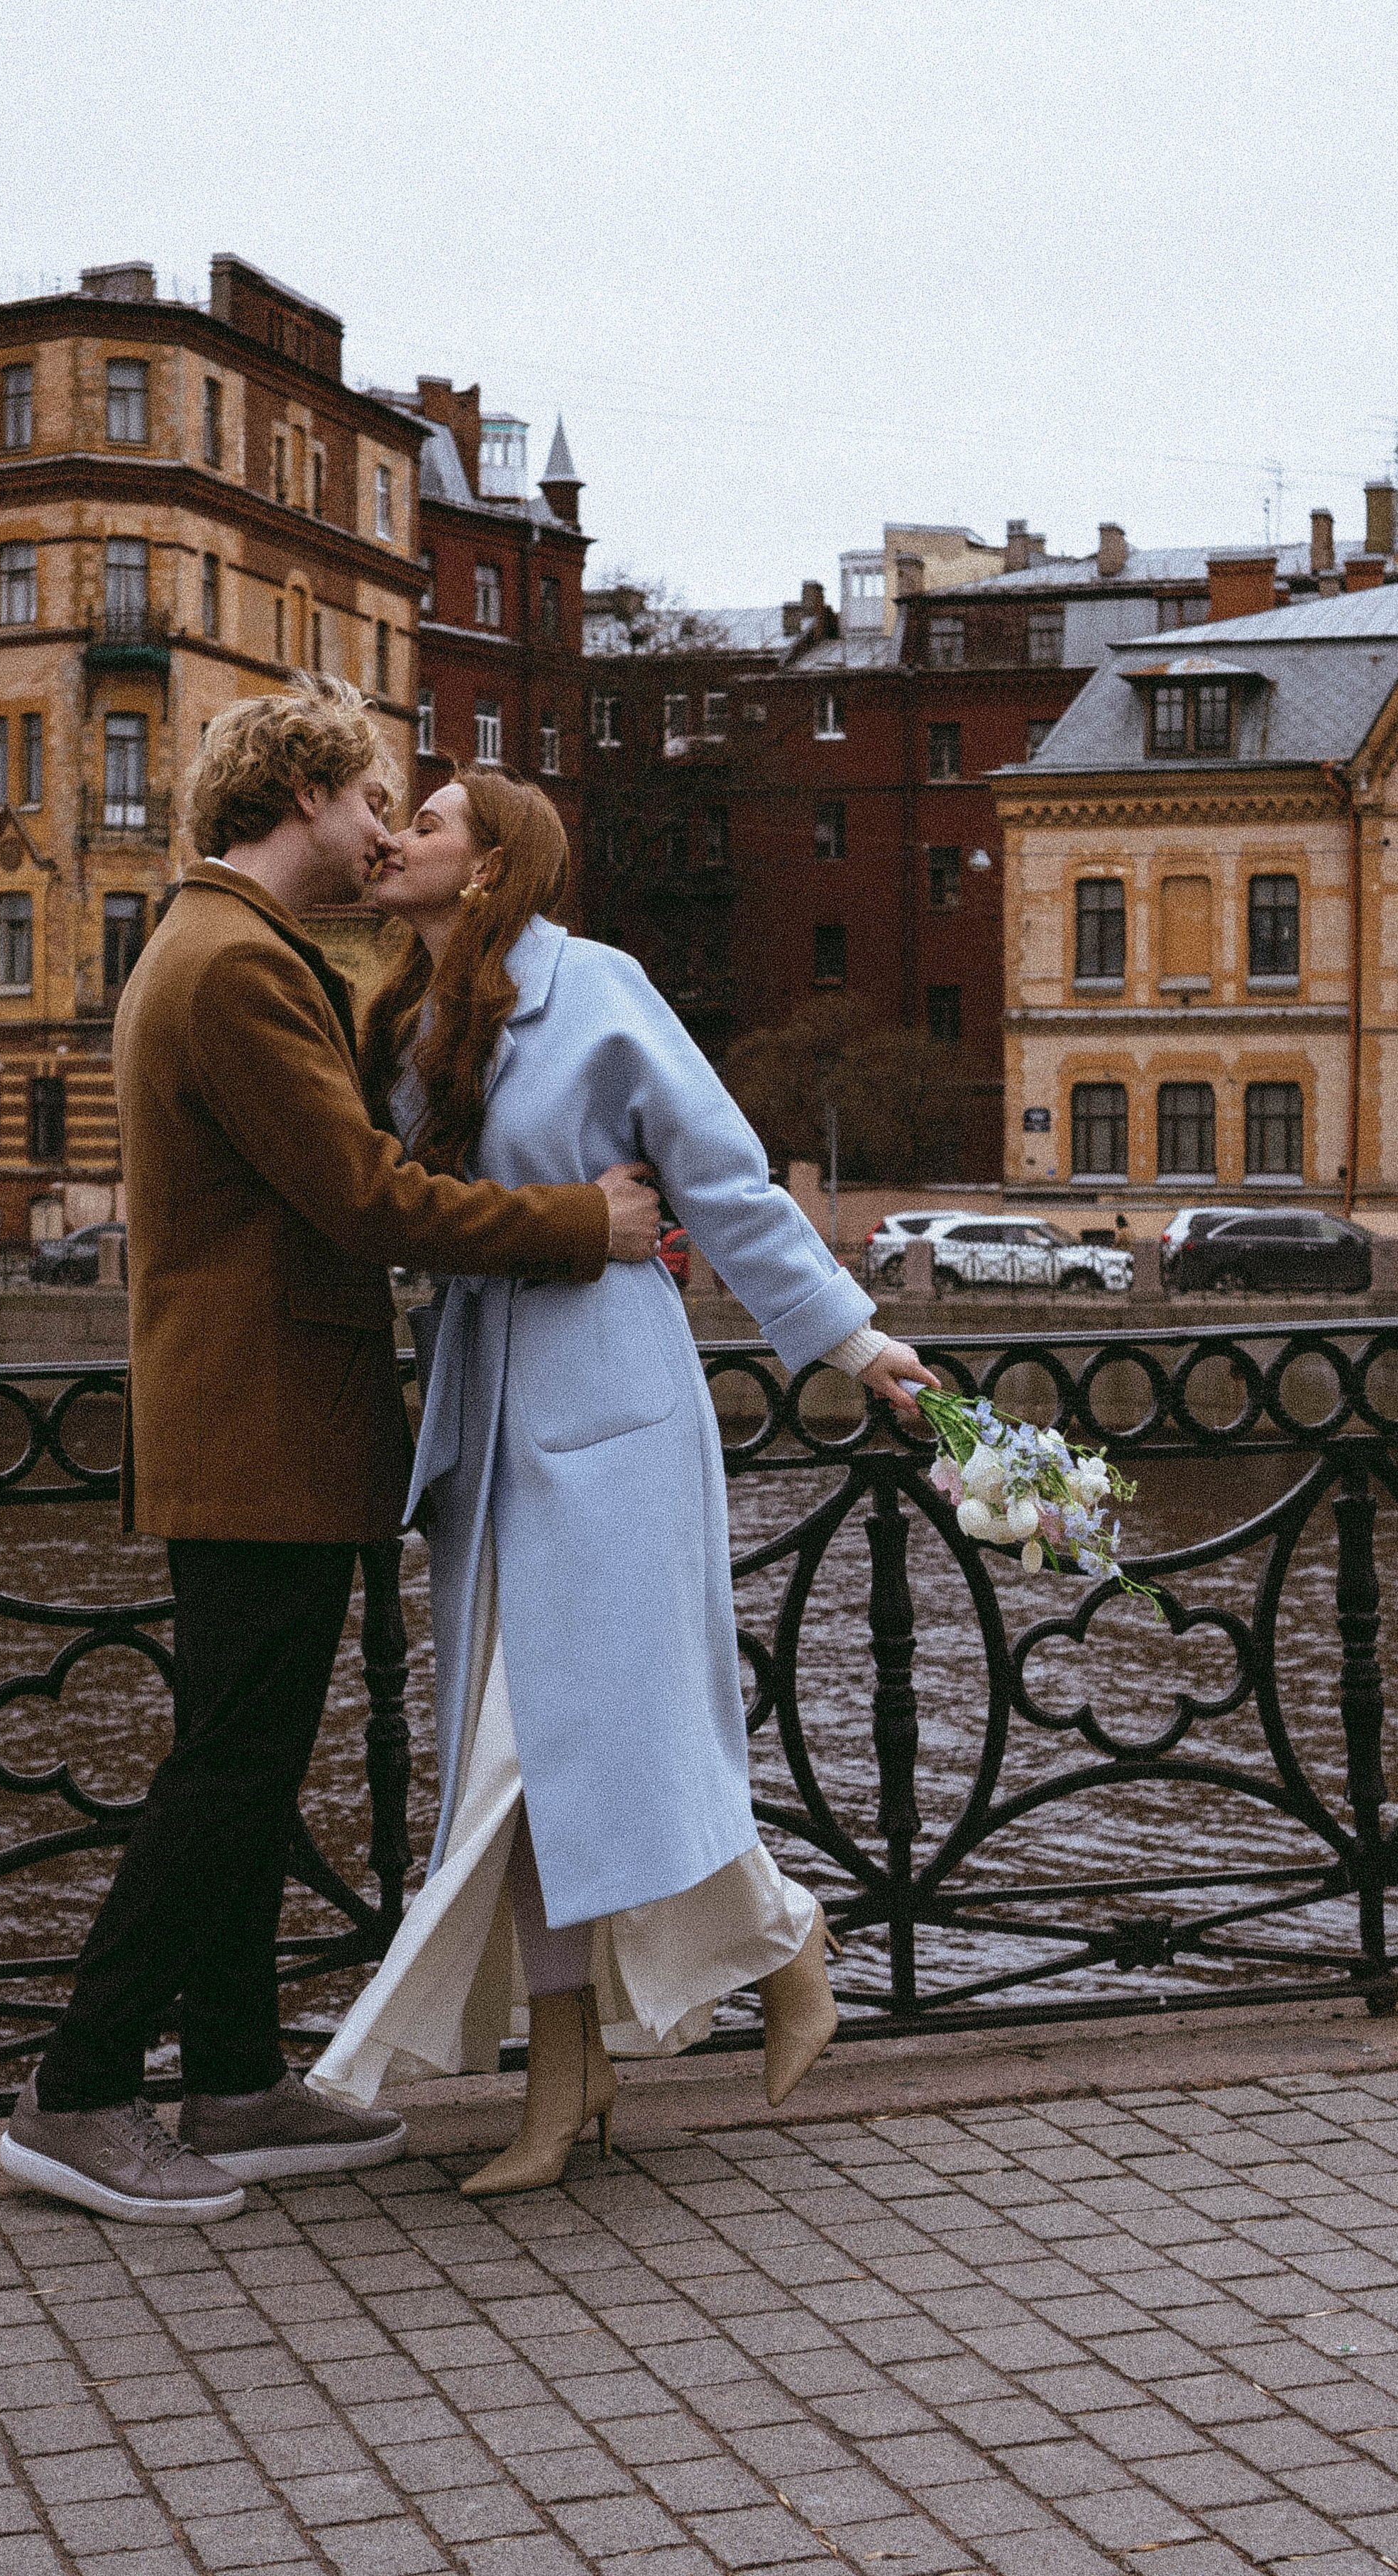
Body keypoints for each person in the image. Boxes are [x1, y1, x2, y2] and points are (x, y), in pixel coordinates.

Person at [0, 683, 661, 2226]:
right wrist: (585, 1222)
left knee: (249, 1758)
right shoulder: (233, 966)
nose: (384, 828)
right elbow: (363, 1200)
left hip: (258, 1426)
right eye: (372, 799)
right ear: (300, 794)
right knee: (227, 1766)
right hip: (260, 1426)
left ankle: (231, 2075)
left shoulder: (229, 946)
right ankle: (79, 2090)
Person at [310, 769, 936, 2194]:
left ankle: (779, 1940)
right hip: (484, 1411)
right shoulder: (410, 1016)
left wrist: (847, 1338)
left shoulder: (595, 989)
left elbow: (720, 1178)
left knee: (559, 1746)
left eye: (431, 818)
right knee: (522, 1781)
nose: (398, 834)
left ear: (489, 867)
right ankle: (570, 2078)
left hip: (610, 1404)